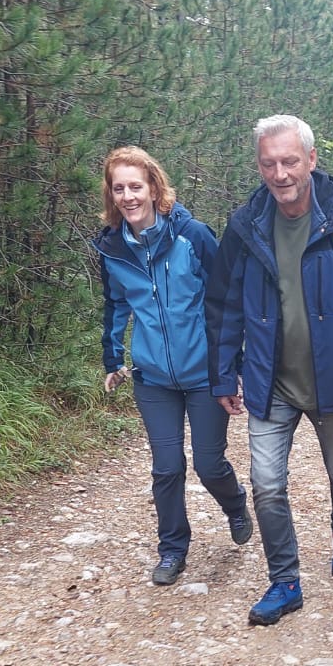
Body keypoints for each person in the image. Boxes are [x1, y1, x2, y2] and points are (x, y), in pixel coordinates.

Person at [206, 114, 333, 627]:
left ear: (311, 160)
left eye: (290, 160)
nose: (280, 173)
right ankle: (285, 582)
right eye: (269, 163)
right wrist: (224, 374)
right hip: (270, 380)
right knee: (267, 483)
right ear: (259, 165)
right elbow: (223, 304)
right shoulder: (245, 227)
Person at [95, 145, 253, 586]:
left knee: (208, 464)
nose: (128, 196)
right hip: (153, 379)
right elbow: (115, 304)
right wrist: (113, 358)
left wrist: (231, 365)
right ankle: (172, 550)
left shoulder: (192, 235)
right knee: (166, 467)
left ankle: (236, 503)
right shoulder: (110, 247)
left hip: (203, 375)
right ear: (112, 194)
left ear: (154, 188)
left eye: (135, 186)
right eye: (119, 188)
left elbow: (226, 301)